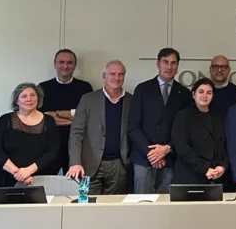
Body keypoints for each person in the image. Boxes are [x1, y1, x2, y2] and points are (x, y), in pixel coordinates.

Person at [128, 47, 191, 194]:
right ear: (158, 64)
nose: (169, 67)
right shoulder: (142, 89)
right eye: (165, 62)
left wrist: (166, 149)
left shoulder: (184, 94)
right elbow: (133, 126)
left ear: (178, 66)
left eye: (173, 63)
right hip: (144, 158)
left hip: (170, 159)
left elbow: (185, 130)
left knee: (165, 204)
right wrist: (152, 154)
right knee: (142, 203)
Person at [66, 60, 132, 195]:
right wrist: (75, 162)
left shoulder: (132, 101)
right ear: (104, 77)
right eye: (112, 74)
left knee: (113, 204)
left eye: (120, 74)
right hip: (89, 164)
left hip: (119, 164)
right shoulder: (88, 99)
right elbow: (76, 133)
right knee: (87, 203)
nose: (117, 78)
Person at [0, 83, 60, 188]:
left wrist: (28, 171)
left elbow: (52, 151)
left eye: (33, 95)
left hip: (39, 179)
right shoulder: (5, 120)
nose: (29, 99)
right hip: (6, 178)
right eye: (24, 96)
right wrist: (19, 174)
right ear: (16, 101)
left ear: (38, 99)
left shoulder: (49, 121)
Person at [39, 49, 93, 175]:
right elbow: (42, 118)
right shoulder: (43, 88)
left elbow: (87, 118)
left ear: (75, 65)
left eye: (69, 63)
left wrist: (55, 114)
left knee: (74, 183)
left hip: (76, 147)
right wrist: (73, 116)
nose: (65, 66)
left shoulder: (85, 88)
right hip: (49, 146)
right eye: (61, 62)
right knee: (47, 182)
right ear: (55, 64)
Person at [171, 78, 228, 185]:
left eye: (209, 93)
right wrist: (205, 169)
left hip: (214, 177)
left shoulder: (217, 117)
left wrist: (222, 166)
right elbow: (182, 147)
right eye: (201, 92)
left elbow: (222, 146)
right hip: (189, 177)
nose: (205, 95)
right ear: (193, 95)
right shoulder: (183, 115)